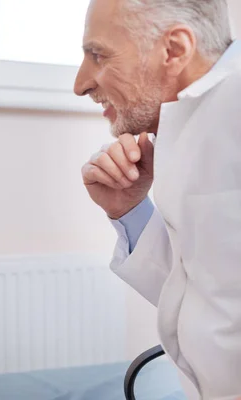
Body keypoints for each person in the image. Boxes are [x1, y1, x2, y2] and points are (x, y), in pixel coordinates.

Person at [75, 0, 241, 399]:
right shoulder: (187, 126)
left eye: (98, 55)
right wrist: (129, 210)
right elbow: (209, 293)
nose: (80, 83)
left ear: (174, 51)